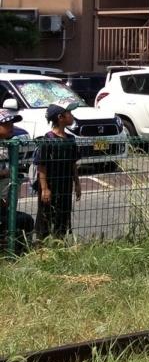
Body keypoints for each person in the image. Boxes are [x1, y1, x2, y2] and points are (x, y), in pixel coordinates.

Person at [35, 102, 82, 241]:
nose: (72, 116)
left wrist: (77, 183)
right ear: (60, 117)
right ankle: (42, 245)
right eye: (69, 113)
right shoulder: (48, 140)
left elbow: (73, 163)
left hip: (66, 185)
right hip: (50, 184)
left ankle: (59, 243)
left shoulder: (71, 139)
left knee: (63, 215)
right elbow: (41, 166)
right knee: (46, 215)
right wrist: (44, 189)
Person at [0, 108, 34, 254]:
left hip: (3, 204)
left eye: (12, 123)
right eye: (6, 124)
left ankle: (18, 254)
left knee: (25, 220)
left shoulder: (6, 145)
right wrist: (7, 173)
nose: (11, 127)